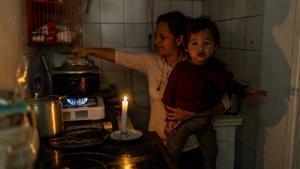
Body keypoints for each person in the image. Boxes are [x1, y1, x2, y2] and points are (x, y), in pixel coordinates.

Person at [70, 11, 266, 169]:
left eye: (162, 37)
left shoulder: (198, 66)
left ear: (180, 39)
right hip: (156, 143)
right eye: (156, 36)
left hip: (189, 147)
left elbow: (225, 101)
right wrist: (89, 50)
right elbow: (119, 56)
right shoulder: (151, 61)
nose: (156, 41)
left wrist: (191, 114)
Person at [162, 17, 233, 169]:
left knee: (212, 152)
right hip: (182, 123)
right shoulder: (181, 68)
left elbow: (229, 85)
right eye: (194, 43)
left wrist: (246, 91)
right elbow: (168, 96)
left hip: (204, 121)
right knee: (172, 154)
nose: (200, 49)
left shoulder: (216, 67)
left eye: (206, 43)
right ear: (186, 47)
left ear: (215, 46)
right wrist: (170, 119)